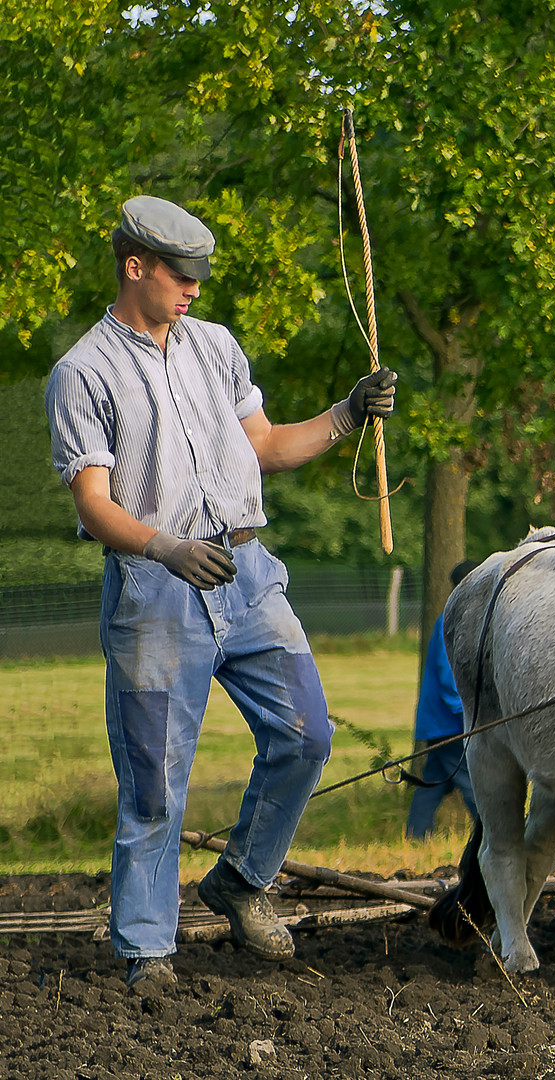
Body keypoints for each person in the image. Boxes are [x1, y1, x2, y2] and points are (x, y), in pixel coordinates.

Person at [44, 196, 398, 987]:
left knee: (306, 734)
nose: (194, 289)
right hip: (156, 589)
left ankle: (239, 880)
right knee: (155, 783)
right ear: (136, 267)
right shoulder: (82, 373)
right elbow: (96, 504)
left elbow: (267, 447)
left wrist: (347, 413)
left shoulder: (216, 347)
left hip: (248, 575)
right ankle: (146, 951)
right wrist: (167, 547)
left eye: (200, 277)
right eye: (180, 275)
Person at [406, 560, 482, 839]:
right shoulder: (453, 619)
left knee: (434, 782)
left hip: (438, 723)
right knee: (472, 781)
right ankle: (492, 833)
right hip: (449, 723)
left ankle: (416, 835)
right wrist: (467, 714)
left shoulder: (458, 616)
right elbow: (448, 675)